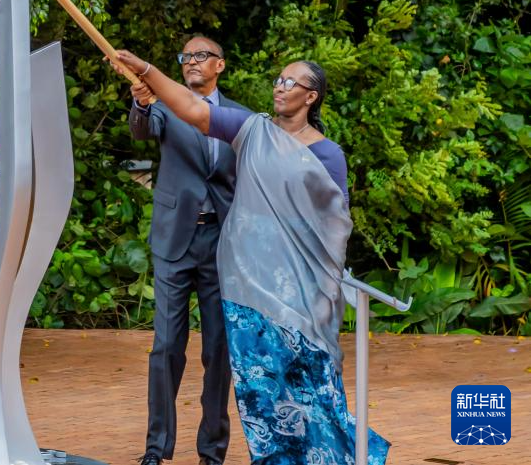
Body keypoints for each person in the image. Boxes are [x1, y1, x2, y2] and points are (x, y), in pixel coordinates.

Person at [116, 51, 389, 465]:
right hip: (250, 284)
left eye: (291, 82)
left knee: (309, 384)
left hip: (303, 289)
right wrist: (147, 71)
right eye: (278, 79)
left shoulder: (327, 154)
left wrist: (323, 289)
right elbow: (191, 108)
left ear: (311, 97)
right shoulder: (252, 130)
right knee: (261, 387)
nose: (280, 87)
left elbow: (335, 224)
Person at [130, 36, 249, 465]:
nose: (191, 62)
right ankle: (155, 448)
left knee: (218, 350)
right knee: (166, 346)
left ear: (220, 64)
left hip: (222, 244)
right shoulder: (164, 105)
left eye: (201, 56)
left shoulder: (240, 117)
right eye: (186, 56)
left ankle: (212, 453)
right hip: (174, 240)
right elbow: (142, 130)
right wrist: (142, 103)